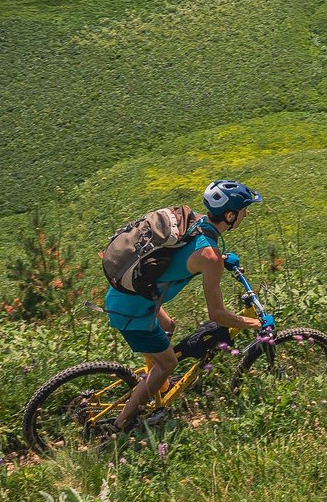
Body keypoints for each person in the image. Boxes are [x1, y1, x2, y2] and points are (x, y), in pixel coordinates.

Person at [105, 180, 264, 432]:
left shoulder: (196, 221)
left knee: (169, 325)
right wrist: (257, 323)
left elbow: (186, 253)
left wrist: (221, 259)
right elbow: (217, 314)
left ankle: (158, 383)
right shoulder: (210, 256)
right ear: (231, 215)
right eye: (244, 211)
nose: (246, 215)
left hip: (126, 296)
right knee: (168, 364)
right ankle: (120, 424)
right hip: (132, 310)